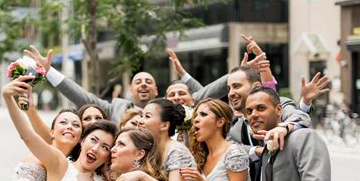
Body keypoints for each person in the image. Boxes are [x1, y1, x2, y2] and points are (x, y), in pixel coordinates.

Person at [24, 45, 229, 124]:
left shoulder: (171, 108)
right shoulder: (116, 107)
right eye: (138, 82)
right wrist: (49, 71)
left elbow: (203, 96)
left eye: (148, 82)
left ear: (156, 90)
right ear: (130, 90)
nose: (143, 85)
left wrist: (239, 75)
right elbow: (83, 98)